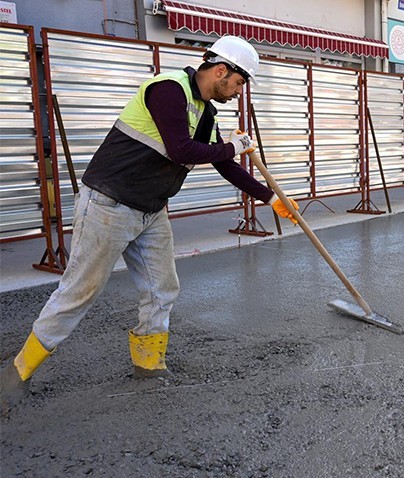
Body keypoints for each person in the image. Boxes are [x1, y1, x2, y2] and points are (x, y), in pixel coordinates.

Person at [0, 36, 298, 413]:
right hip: (109, 203)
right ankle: (16, 373)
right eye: (239, 83)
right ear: (222, 71)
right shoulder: (168, 90)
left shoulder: (205, 112)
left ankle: (148, 364)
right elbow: (181, 150)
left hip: (151, 209)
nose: (239, 91)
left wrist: (271, 198)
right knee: (79, 292)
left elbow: (223, 163)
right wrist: (233, 147)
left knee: (162, 288)